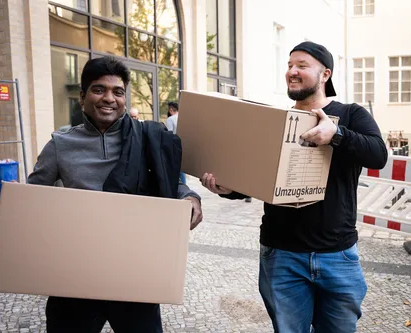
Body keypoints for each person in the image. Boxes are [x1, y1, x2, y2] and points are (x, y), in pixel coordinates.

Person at [201, 41, 388, 333]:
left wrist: (336, 134)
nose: (292, 71)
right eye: (289, 66)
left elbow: (378, 155)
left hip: (337, 254)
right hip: (282, 255)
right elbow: (256, 175)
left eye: (302, 65)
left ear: (325, 74)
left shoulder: (351, 114)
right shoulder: (276, 121)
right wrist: (229, 188)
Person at [28, 56, 203, 333]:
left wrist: (191, 197)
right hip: (76, 275)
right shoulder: (60, 145)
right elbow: (32, 202)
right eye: (99, 90)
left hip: (133, 273)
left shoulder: (146, 138)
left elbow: (169, 183)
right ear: (82, 97)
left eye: (117, 92)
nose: (109, 98)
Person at [165, 101, 187, 184]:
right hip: (184, 145)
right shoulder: (183, 118)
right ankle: (185, 186)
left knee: (177, 169)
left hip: (174, 146)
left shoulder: (170, 119)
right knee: (182, 169)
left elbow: (169, 134)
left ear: (171, 109)